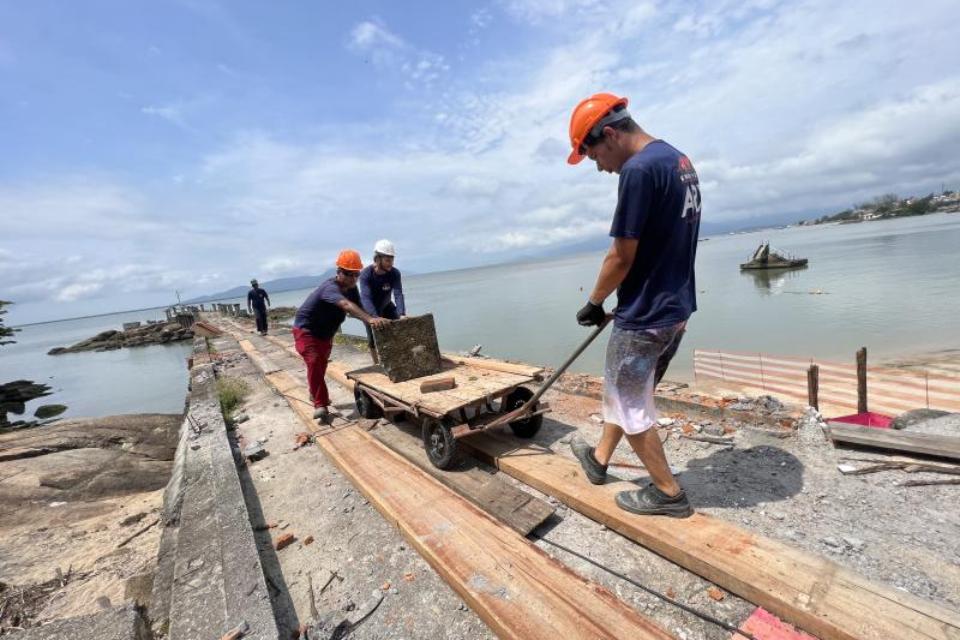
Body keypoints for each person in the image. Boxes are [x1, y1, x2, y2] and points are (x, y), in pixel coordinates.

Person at [566, 92, 701, 518]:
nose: (601, 168)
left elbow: (621, 255)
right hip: (675, 309)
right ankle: (600, 459)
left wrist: (594, 301)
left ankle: (668, 493)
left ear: (609, 134)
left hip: (644, 316)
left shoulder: (638, 170)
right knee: (629, 394)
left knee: (629, 401)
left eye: (594, 157)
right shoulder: (678, 161)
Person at [292, 250, 390, 423]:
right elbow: (345, 305)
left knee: (320, 365)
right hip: (306, 331)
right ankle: (320, 404)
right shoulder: (330, 288)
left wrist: (374, 319)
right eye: (348, 274)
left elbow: (359, 307)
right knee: (314, 362)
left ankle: (313, 392)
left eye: (356, 274)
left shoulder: (351, 289)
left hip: (325, 333)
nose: (352, 278)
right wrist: (369, 319)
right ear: (339, 272)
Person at [359, 239, 406, 364]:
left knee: (400, 327)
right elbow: (365, 298)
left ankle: (400, 359)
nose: (391, 263)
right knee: (373, 339)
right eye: (387, 260)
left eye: (392, 259)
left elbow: (398, 294)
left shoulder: (394, 273)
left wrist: (401, 313)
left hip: (386, 305)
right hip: (369, 310)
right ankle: (376, 364)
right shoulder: (366, 274)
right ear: (378, 259)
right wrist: (375, 317)